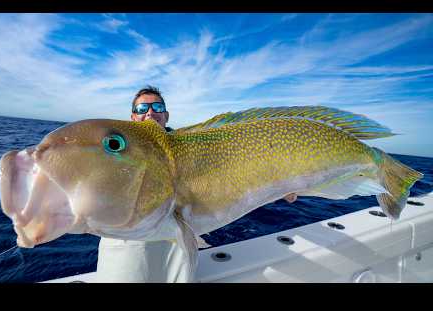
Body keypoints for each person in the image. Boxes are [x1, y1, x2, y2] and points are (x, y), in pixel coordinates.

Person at [96, 85, 297, 282]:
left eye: (157, 107)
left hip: (178, 255)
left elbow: (233, 172)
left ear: (166, 116)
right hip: (126, 254)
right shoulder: (110, 154)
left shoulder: (192, 147)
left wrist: (281, 183)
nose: (150, 113)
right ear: (133, 117)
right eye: (141, 109)